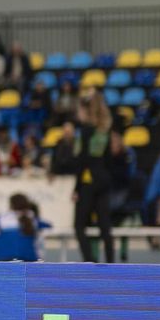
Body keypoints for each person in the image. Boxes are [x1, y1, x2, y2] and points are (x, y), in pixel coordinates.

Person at [68, 90, 115, 263]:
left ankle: (90, 261)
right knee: (105, 226)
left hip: (89, 179)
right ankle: (111, 263)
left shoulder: (86, 130)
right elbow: (109, 158)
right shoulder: (105, 129)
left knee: (79, 225)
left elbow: (83, 160)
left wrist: (76, 188)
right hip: (104, 177)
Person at [0, 193, 51, 261]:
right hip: (29, 259)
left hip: (2, 258)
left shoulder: (3, 218)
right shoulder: (33, 219)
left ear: (11, 205)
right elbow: (48, 226)